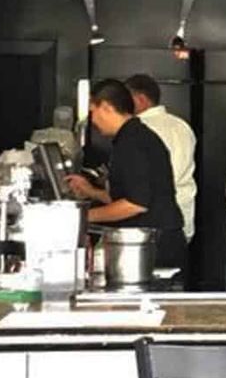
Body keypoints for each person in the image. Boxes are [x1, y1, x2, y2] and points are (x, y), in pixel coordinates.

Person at [67, 78, 187, 271]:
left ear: (106, 107)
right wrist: (91, 192)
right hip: (154, 238)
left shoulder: (132, 143)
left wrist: (82, 218)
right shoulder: (132, 136)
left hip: (155, 244)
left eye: (93, 112)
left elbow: (135, 204)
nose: (93, 120)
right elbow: (128, 195)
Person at [125, 73, 197, 243]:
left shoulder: (140, 129)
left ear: (141, 100)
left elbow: (142, 185)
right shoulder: (181, 125)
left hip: (153, 220)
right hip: (183, 216)